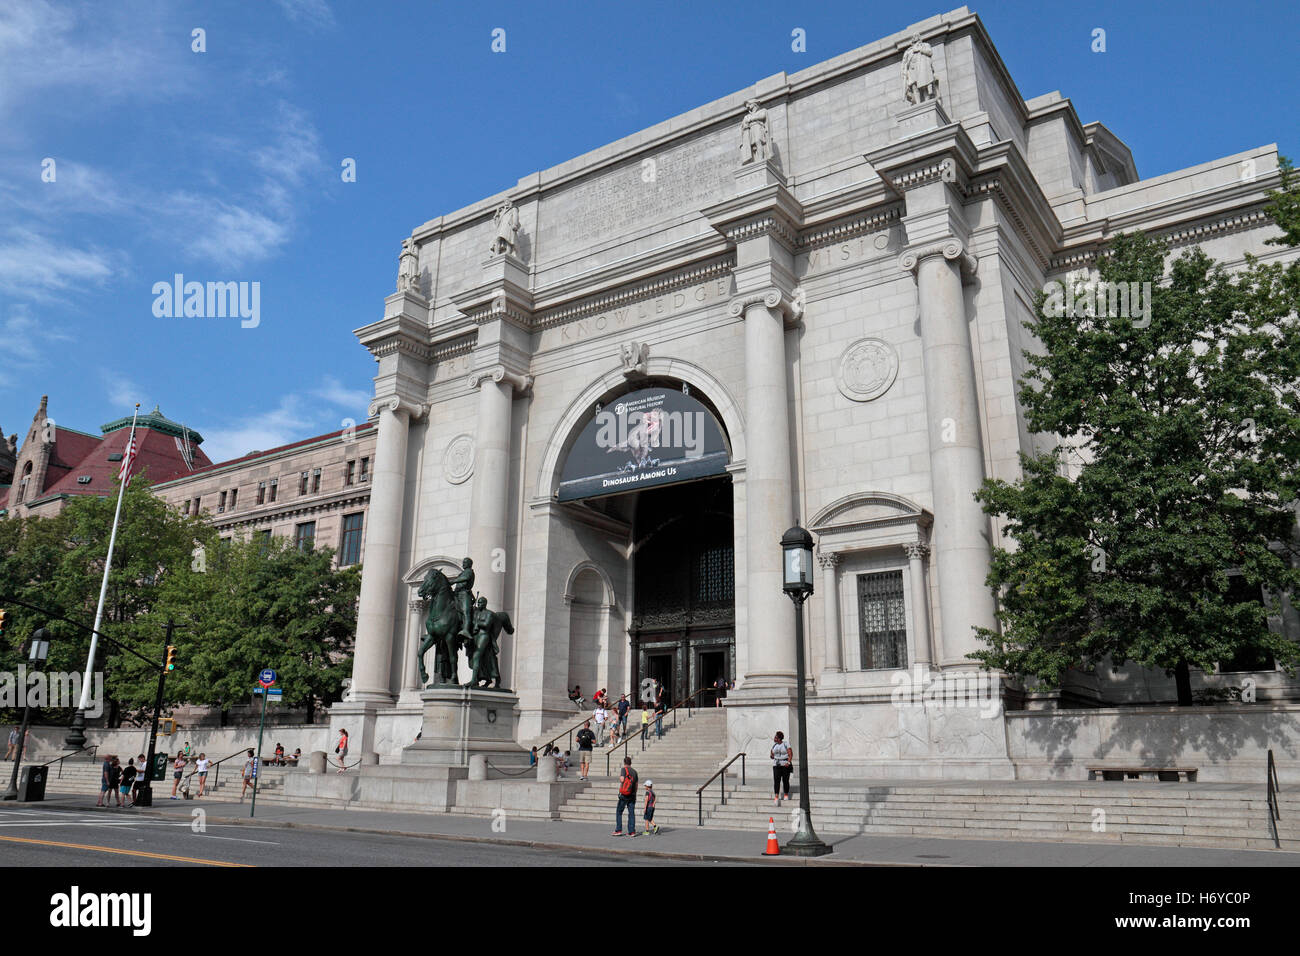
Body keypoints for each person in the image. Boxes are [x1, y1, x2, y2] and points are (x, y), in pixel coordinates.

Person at [613, 756, 638, 836]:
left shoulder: (624, 769)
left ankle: (618, 830)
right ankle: (632, 831)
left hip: (624, 794)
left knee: (619, 812)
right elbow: (636, 785)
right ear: (630, 763)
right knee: (631, 813)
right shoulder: (634, 772)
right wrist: (634, 793)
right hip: (632, 794)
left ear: (624, 763)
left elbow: (622, 780)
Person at [771, 731, 793, 806]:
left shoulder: (786, 744)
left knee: (785, 780)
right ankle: (776, 796)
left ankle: (786, 794)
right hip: (776, 765)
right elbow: (772, 754)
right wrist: (772, 756)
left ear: (779, 738)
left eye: (776, 737)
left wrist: (788, 762)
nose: (774, 738)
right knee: (776, 780)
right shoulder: (774, 745)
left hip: (785, 764)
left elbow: (790, 754)